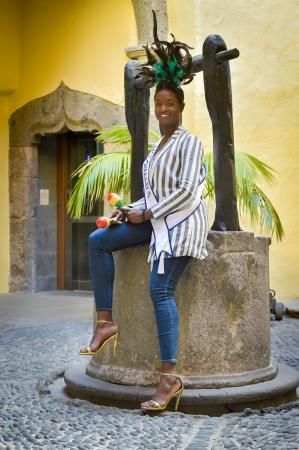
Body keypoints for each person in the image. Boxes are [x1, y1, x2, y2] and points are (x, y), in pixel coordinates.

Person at [80, 14, 209, 411]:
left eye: (169, 103)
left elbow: (187, 191)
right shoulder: (155, 149)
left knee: (160, 289)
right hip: (155, 224)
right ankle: (106, 322)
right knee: (99, 240)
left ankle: (169, 378)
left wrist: (148, 211)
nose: (163, 109)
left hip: (182, 226)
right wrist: (129, 211)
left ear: (181, 106)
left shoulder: (190, 143)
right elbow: (151, 194)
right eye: (158, 103)